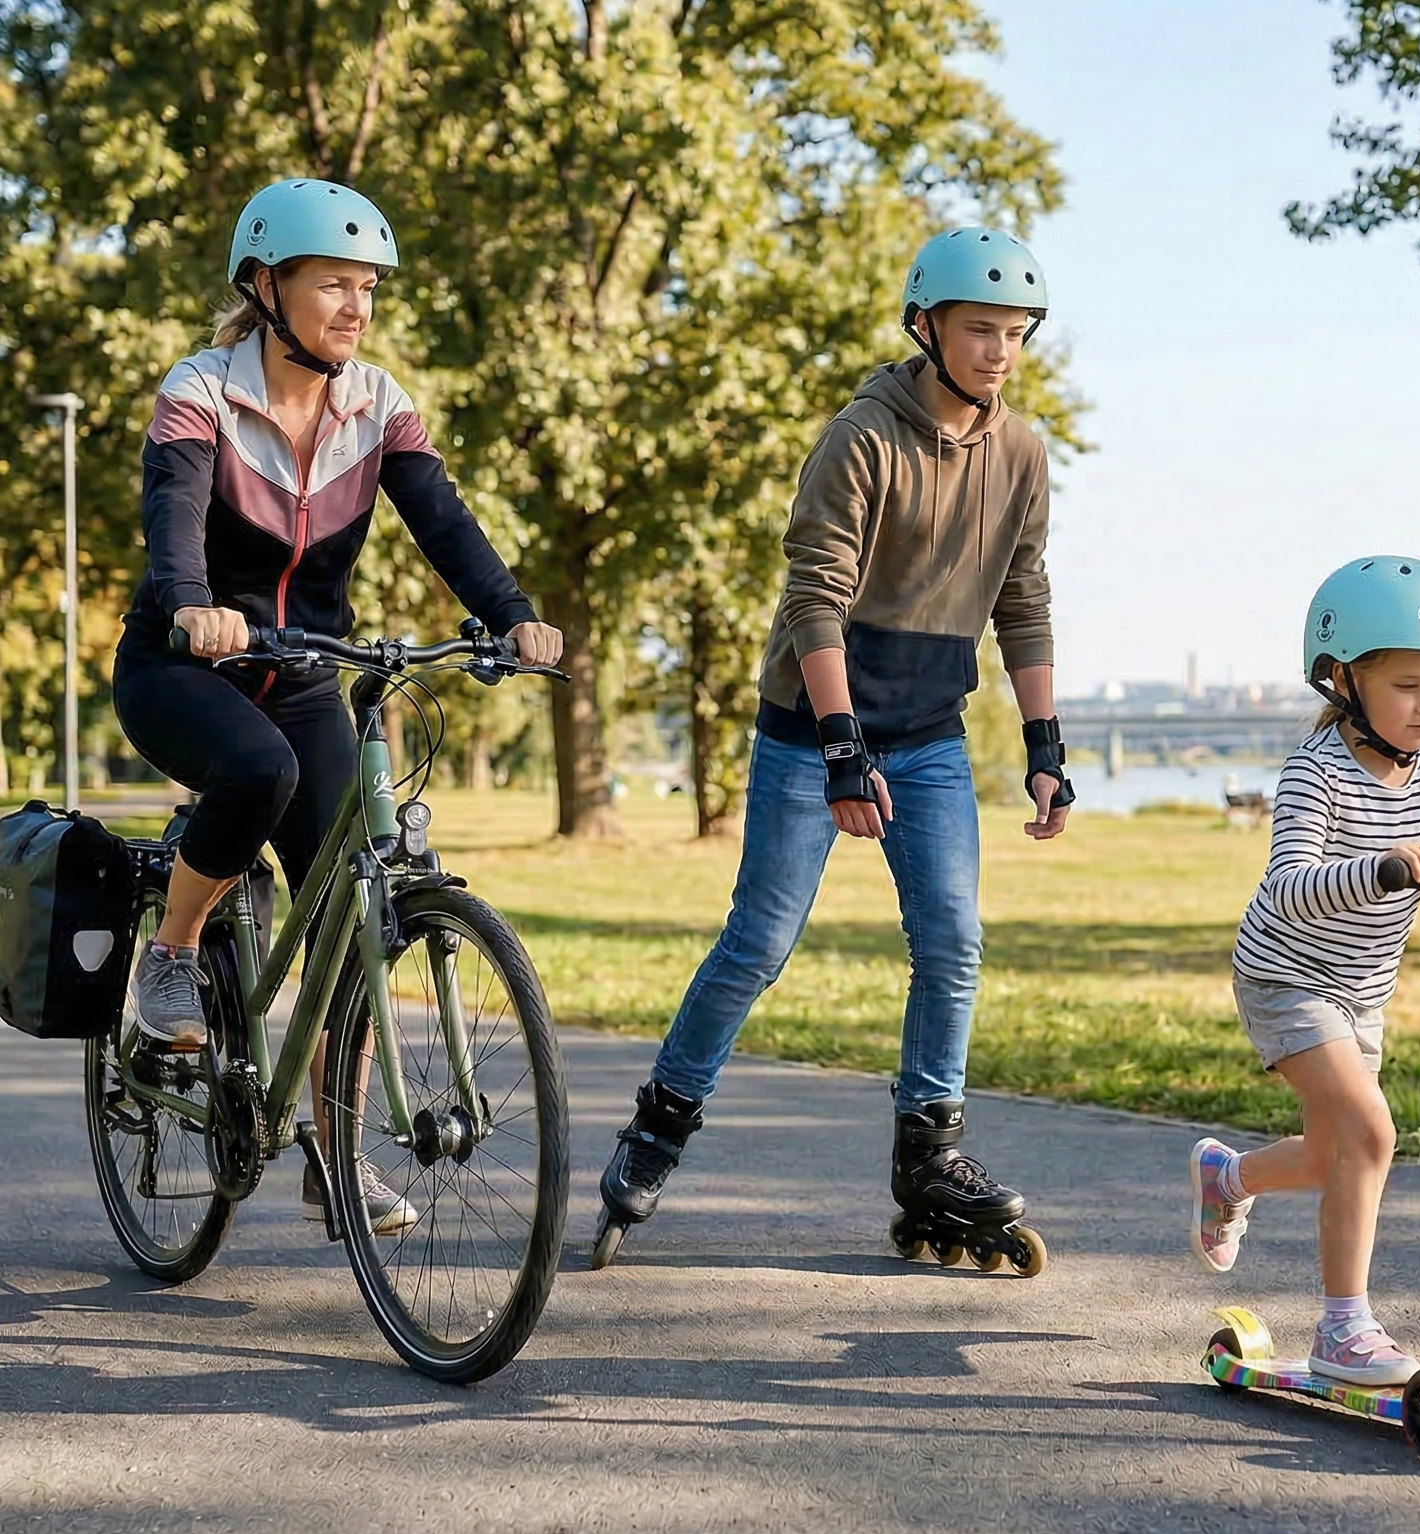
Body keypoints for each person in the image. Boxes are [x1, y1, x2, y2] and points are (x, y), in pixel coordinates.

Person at [592, 227, 1075, 1264]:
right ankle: (657, 1126)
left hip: (932, 735)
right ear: (925, 325)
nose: (998, 351)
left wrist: (1044, 741)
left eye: (1016, 333)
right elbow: (814, 600)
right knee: (759, 942)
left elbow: (1023, 601)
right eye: (980, 329)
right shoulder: (861, 437)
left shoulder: (1024, 454)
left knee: (952, 942)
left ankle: (929, 1158)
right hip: (816, 732)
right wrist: (842, 748)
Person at [112, 178, 563, 1233]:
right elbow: (172, 514)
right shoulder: (202, 393)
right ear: (266, 286)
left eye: (368, 288)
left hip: (303, 667)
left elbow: (443, 521)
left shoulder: (380, 403)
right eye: (335, 284)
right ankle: (171, 952)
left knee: (348, 906)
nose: (357, 307)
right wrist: (190, 606)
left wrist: (511, 614)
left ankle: (332, 1151)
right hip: (183, 665)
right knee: (257, 773)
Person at [1188, 557, 1420, 1385]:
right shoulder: (1315, 772)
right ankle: (1343, 1330)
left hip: (1360, 992)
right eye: (1411, 685)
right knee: (1373, 1134)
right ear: (1346, 678)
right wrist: (1382, 868)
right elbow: (1287, 886)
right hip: (1284, 977)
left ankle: (1228, 1177)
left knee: (1330, 1156)